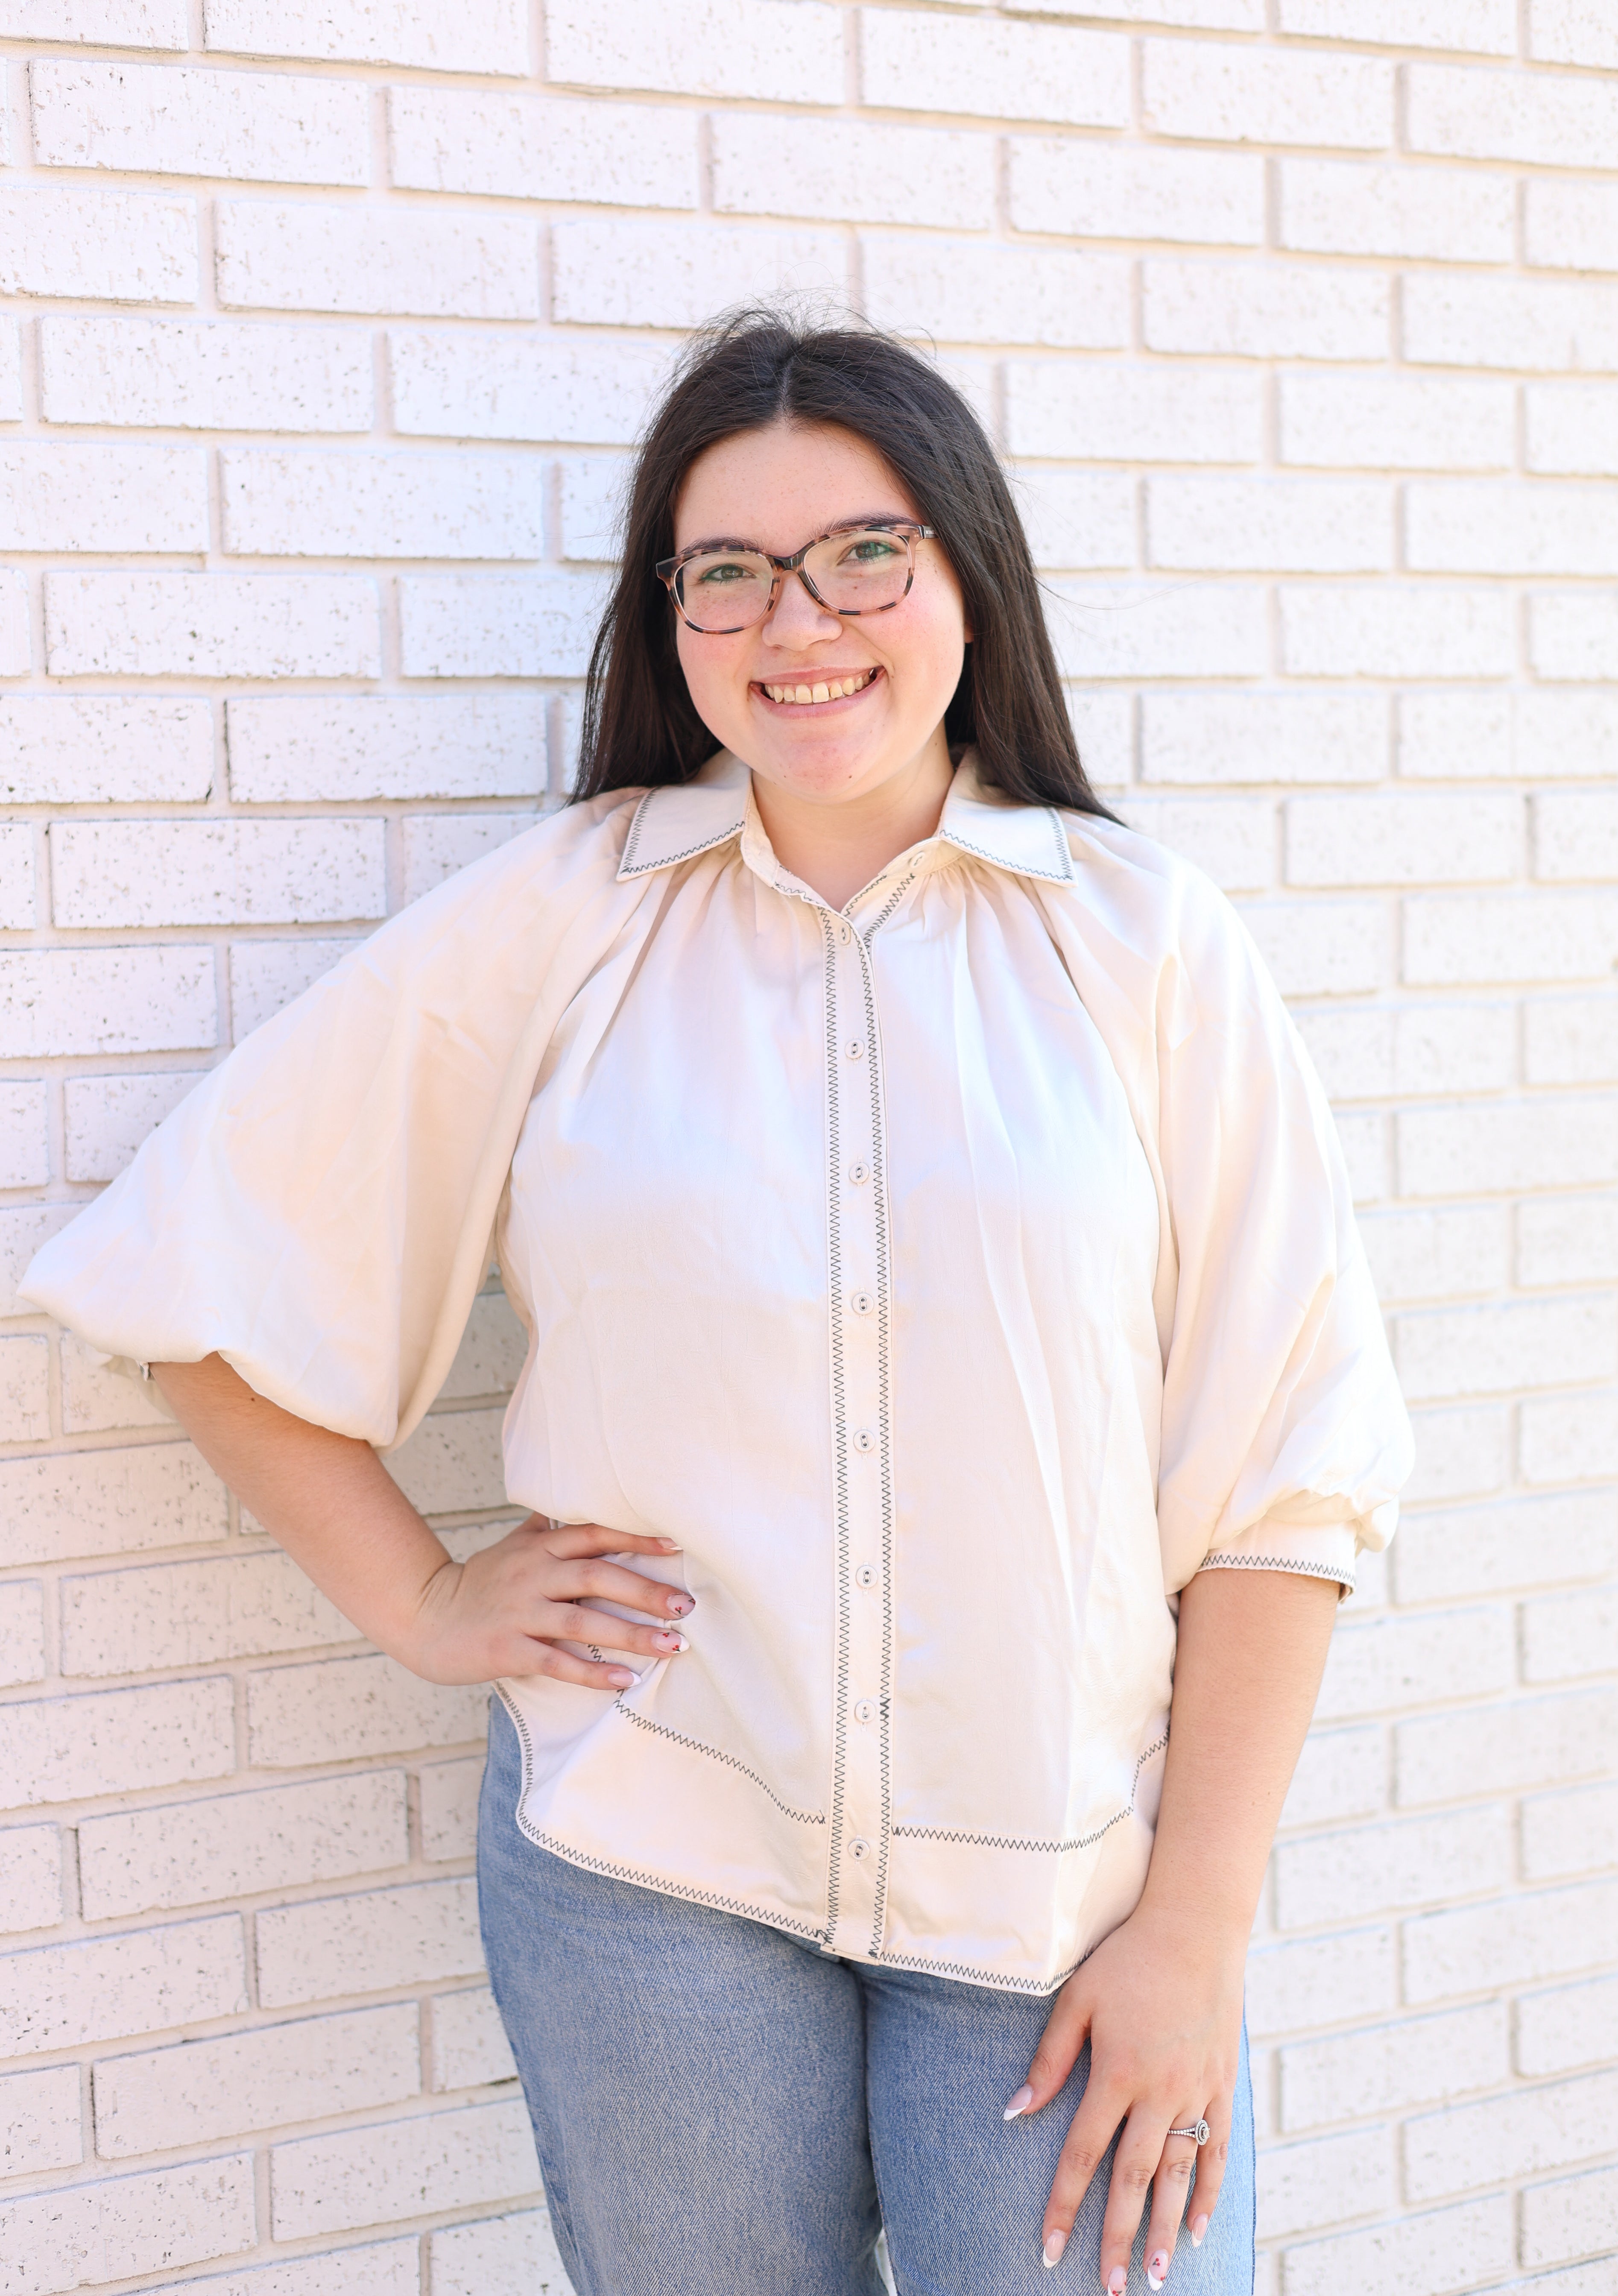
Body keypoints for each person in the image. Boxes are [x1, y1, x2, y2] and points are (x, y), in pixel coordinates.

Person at [24, 310, 1412, 2296]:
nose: (798, 621)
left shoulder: (1145, 945)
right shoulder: (569, 917)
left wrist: (1199, 1924)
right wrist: (427, 1599)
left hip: (1066, 1892)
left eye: (863, 554)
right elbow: (196, 1261)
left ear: (964, 576)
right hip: (651, 1872)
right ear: (670, 616)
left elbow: (1286, 1471)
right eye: (729, 571)